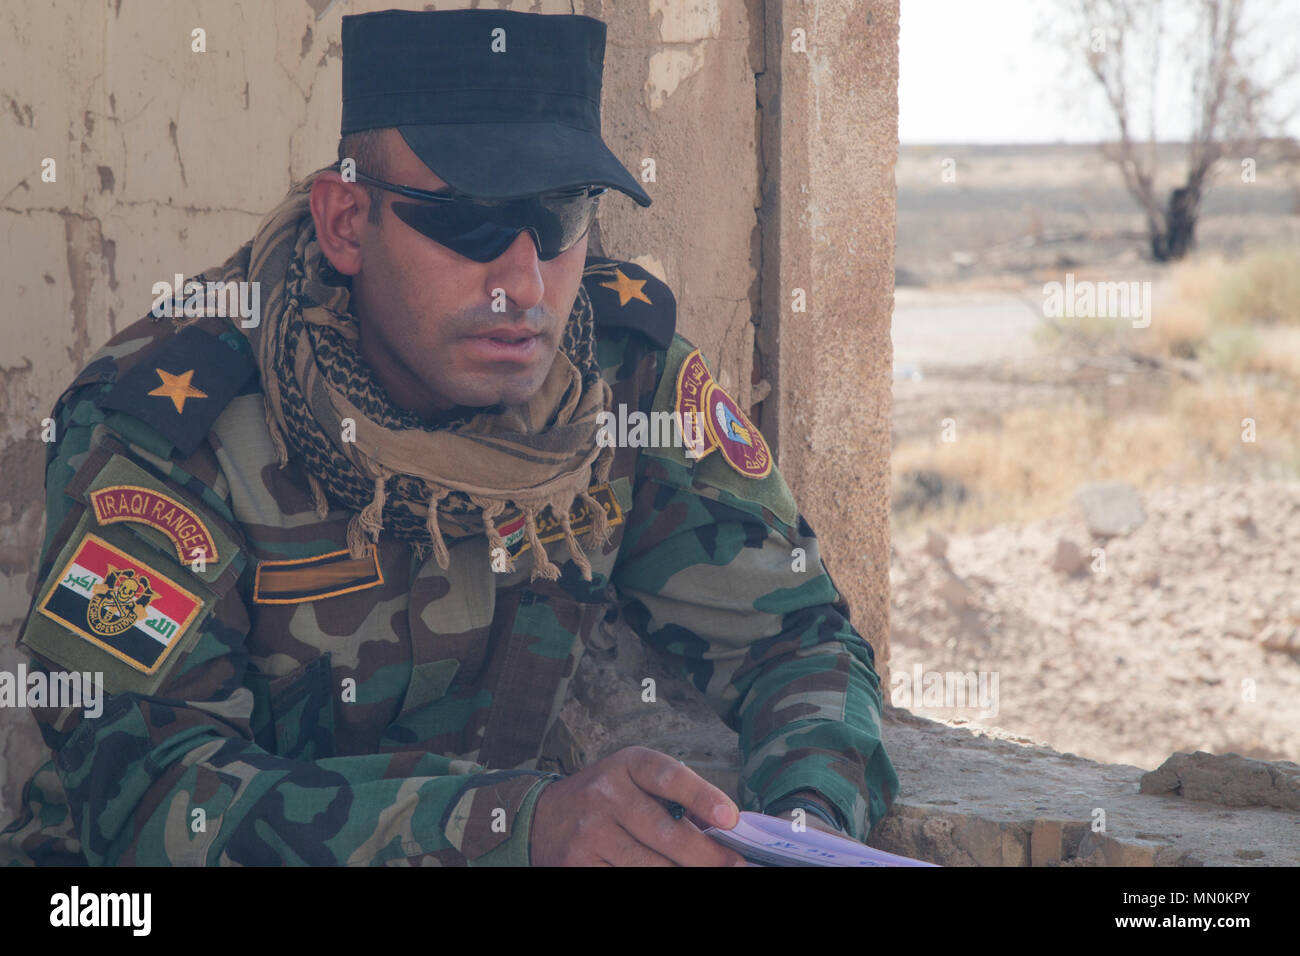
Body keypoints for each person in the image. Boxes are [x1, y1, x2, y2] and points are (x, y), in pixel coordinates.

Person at [1, 7, 897, 866]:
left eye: (558, 219)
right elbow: (149, 798)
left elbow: (797, 636)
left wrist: (807, 826)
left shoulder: (619, 379)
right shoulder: (170, 425)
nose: (522, 281)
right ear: (347, 222)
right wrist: (513, 831)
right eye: (467, 219)